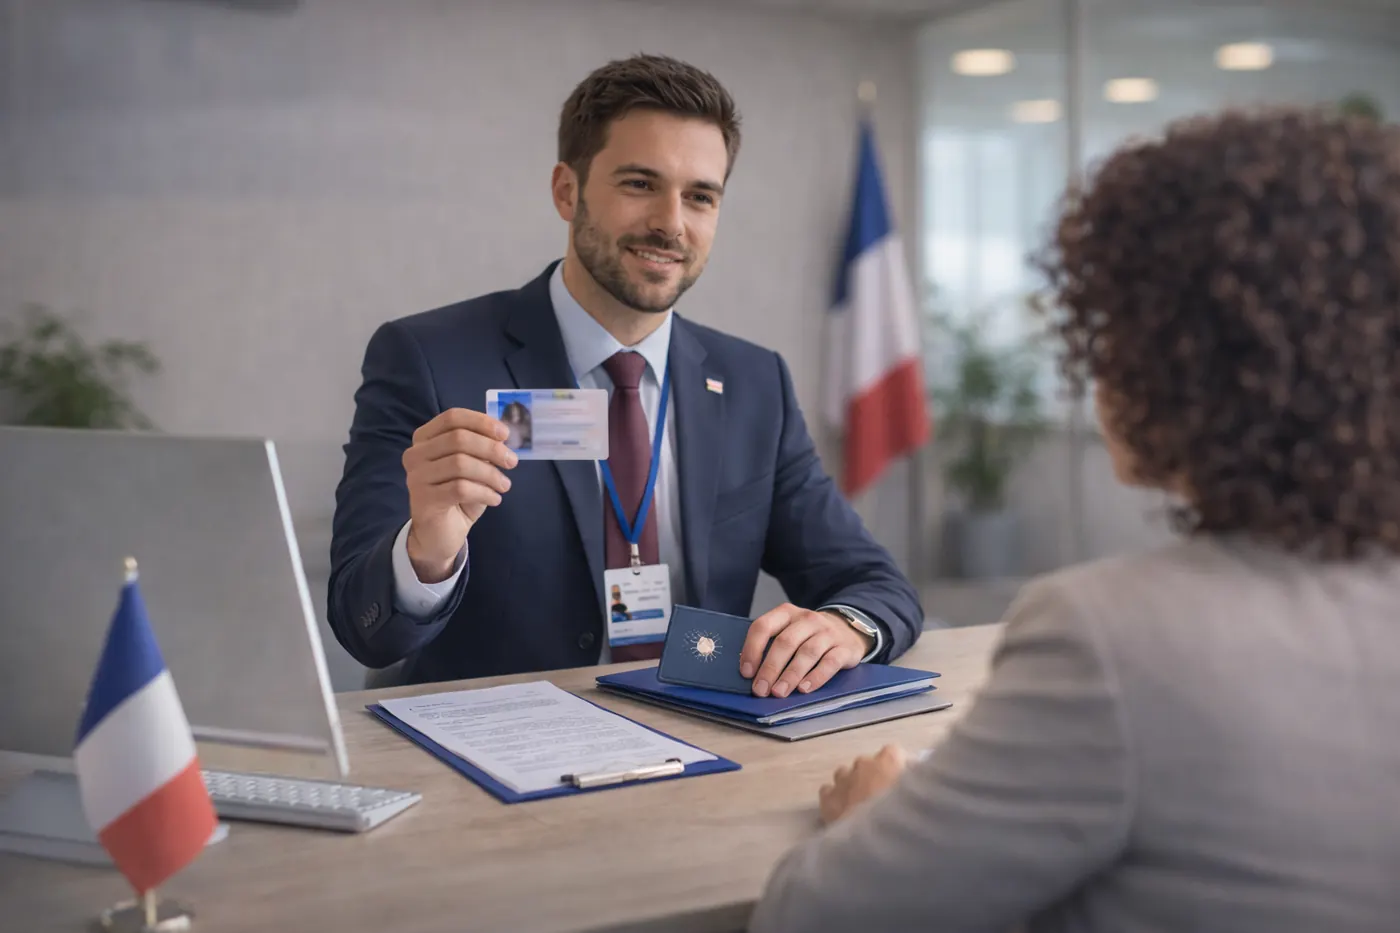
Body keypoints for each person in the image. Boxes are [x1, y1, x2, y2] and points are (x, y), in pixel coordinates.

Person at [749, 106, 1400, 932]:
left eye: (1110, 330)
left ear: (1170, 359)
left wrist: (874, 815)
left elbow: (807, 915)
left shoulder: (1109, 634)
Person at [328, 53, 923, 690]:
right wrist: (428, 552)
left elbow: (874, 584)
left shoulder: (754, 383)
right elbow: (364, 629)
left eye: (700, 196)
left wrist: (845, 627)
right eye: (640, 184)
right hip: (495, 758)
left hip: (701, 741)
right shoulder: (428, 359)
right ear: (567, 191)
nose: (671, 223)